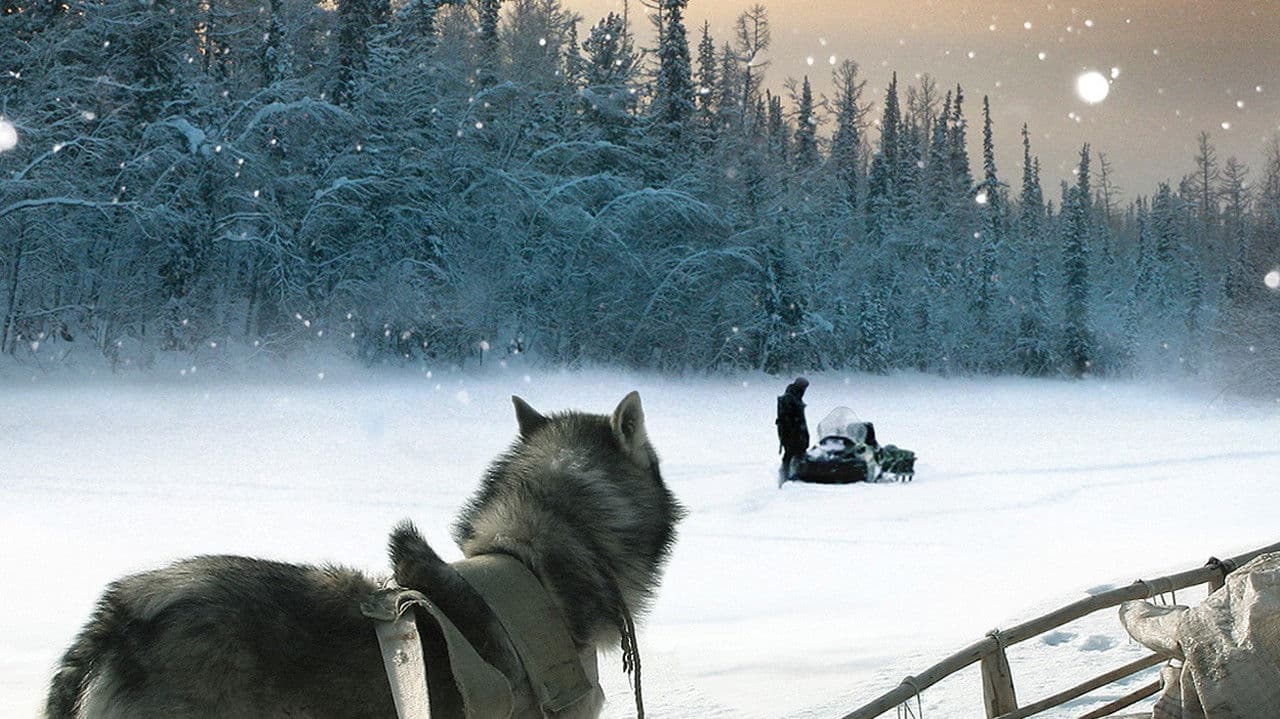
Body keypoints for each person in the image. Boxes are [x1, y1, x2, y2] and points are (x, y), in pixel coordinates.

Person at [776, 377, 810, 476]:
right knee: (790, 455)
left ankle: (791, 474)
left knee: (792, 455)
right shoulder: (790, 398)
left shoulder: (794, 397)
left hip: (796, 433)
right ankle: (786, 477)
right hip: (792, 434)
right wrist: (795, 434)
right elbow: (788, 420)